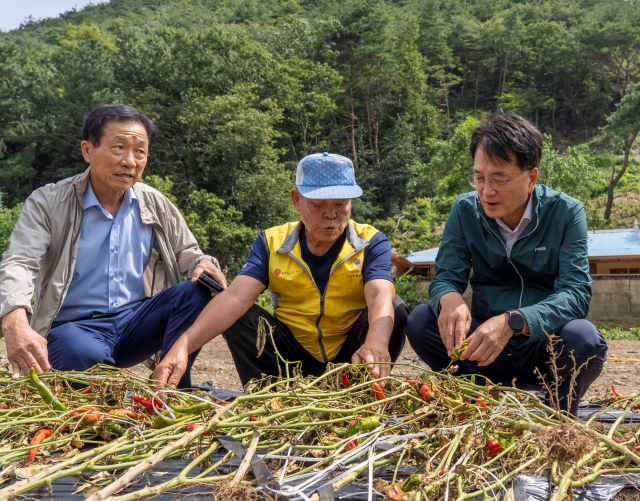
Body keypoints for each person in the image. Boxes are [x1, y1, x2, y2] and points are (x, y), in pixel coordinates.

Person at [0, 104, 227, 388]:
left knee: (198, 290)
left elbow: (189, 255)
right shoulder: (48, 203)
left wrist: (202, 263)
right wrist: (14, 319)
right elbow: (20, 261)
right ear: (87, 150)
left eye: (140, 151)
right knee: (84, 354)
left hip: (136, 323)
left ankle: (173, 388)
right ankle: (111, 396)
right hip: (74, 329)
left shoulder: (154, 203)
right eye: (118, 148)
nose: (130, 161)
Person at [405, 114, 607, 414]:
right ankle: (478, 400)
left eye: (499, 178)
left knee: (584, 338)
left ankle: (559, 411)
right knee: (421, 320)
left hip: (543, 346)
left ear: (531, 178)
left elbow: (575, 295)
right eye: (479, 178)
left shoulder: (566, 212)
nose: (486, 191)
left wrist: (515, 321)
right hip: (485, 351)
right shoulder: (464, 210)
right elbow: (446, 276)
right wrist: (449, 299)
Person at [154, 152, 408, 387]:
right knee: (237, 315)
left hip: (348, 355)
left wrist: (375, 343)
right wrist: (182, 346)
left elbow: (379, 294)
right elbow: (236, 297)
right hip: (288, 357)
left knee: (393, 307)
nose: (331, 215)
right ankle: (267, 393)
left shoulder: (371, 241)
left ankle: (361, 387)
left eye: (341, 204)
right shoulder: (271, 242)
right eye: (318, 204)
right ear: (296, 200)